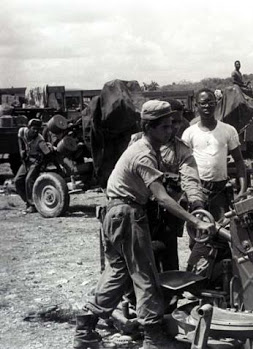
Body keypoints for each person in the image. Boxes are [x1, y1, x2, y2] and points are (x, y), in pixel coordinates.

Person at [73, 100, 216, 349]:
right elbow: (161, 196)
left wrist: (195, 202)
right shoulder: (143, 154)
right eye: (164, 127)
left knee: (118, 272)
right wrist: (194, 221)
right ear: (148, 127)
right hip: (128, 213)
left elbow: (188, 174)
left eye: (172, 125)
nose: (171, 130)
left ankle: (85, 327)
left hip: (115, 213)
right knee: (145, 274)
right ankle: (153, 337)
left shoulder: (152, 148)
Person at [130, 99, 206, 271]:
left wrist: (196, 203)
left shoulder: (181, 148)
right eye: (171, 123)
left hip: (168, 211)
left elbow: (190, 177)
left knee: (169, 255)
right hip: (140, 209)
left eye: (179, 121)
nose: (176, 127)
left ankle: (170, 295)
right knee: (141, 258)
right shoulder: (138, 143)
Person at [181, 88, 247, 273]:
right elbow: (183, 167)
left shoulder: (228, 131)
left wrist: (242, 191)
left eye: (211, 102)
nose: (207, 106)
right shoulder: (189, 133)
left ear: (216, 104)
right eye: (203, 103)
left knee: (224, 234)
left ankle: (220, 277)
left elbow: (240, 163)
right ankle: (195, 276)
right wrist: (189, 192)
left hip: (220, 192)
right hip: (197, 191)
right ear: (196, 106)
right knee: (197, 235)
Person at [14, 118, 52, 213]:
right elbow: (20, 140)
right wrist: (21, 150)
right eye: (33, 128)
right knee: (17, 181)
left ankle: (33, 205)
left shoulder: (40, 140)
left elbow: (47, 154)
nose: (35, 131)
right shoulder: (22, 131)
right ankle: (27, 202)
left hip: (36, 161)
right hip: (27, 160)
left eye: (37, 129)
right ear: (28, 127)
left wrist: (41, 163)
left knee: (29, 180)